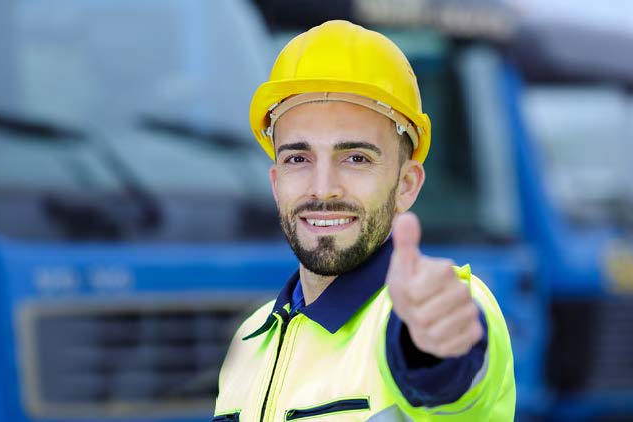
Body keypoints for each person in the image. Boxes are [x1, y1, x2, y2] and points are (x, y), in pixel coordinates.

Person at [214, 20, 515, 421]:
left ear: (406, 184)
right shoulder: (250, 340)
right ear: (275, 182)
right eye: (297, 159)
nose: (322, 189)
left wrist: (432, 344)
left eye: (356, 158)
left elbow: (448, 372)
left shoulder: (431, 313)